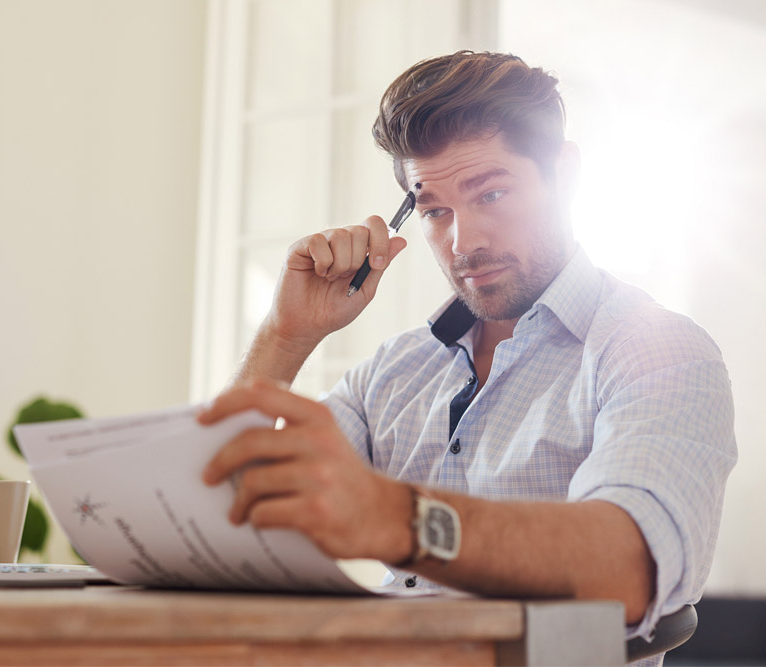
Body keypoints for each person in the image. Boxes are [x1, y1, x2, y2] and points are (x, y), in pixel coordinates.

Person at [197, 50, 737, 654]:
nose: (464, 242)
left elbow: (630, 565)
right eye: (435, 211)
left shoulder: (657, 351)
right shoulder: (395, 372)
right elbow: (214, 515)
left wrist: (397, 519)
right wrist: (285, 336)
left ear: (565, 174)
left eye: (493, 194)